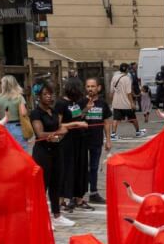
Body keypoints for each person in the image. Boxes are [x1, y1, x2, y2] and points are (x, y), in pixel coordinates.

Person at [29, 81, 78, 228]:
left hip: (57, 151)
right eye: (45, 94)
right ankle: (41, 217)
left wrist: (59, 135)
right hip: (42, 153)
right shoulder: (36, 113)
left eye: (51, 94)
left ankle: (56, 215)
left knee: (56, 184)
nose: (49, 97)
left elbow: (59, 130)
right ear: (39, 96)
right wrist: (58, 132)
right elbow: (40, 133)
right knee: (42, 186)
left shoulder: (54, 111)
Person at [58, 77, 91, 213]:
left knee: (80, 169)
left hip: (80, 139)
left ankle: (78, 198)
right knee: (67, 170)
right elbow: (58, 125)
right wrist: (76, 124)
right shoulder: (61, 104)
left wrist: (84, 112)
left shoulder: (75, 103)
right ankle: (62, 201)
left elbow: (77, 117)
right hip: (67, 141)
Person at [81, 77, 112, 205]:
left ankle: (93, 193)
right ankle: (80, 194)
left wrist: (108, 140)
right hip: (82, 140)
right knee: (82, 167)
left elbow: (106, 122)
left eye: (93, 86)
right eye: (88, 86)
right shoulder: (81, 102)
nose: (90, 89)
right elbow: (78, 117)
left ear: (98, 88)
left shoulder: (102, 104)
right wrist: (86, 109)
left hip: (96, 140)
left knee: (94, 167)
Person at [0, 75, 30, 148]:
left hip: (3, 127)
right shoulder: (19, 97)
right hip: (18, 127)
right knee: (21, 153)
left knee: (6, 153)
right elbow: (23, 113)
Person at [110, 63, 145, 139]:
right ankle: (138, 132)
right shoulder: (127, 78)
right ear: (127, 70)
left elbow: (111, 92)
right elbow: (128, 93)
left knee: (115, 119)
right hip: (126, 104)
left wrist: (112, 102)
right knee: (133, 118)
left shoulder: (114, 77)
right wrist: (132, 103)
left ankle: (113, 134)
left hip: (116, 104)